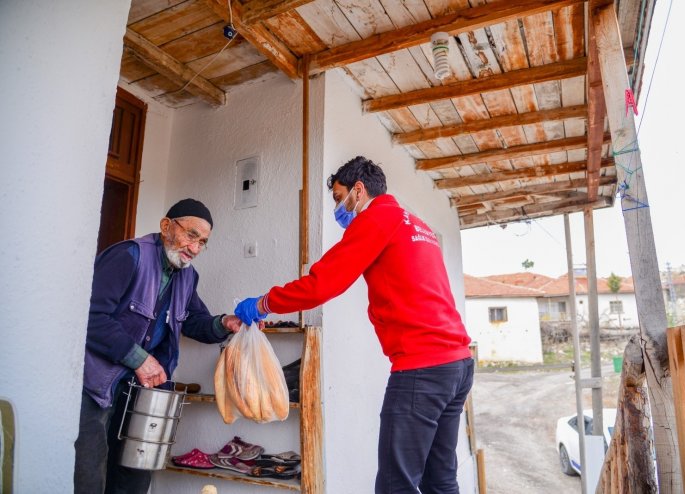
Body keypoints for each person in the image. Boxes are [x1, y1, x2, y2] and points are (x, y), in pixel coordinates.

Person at [235, 156, 474, 494]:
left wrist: (262, 304)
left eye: (338, 197)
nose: (338, 208)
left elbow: (322, 285)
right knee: (440, 478)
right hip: (457, 364)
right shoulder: (414, 223)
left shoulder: (378, 217)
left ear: (358, 191)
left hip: (424, 368)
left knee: (397, 485)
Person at [74, 198, 243, 494]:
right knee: (90, 477)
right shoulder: (129, 255)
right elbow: (90, 317)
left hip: (140, 394)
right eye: (191, 235)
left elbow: (194, 321)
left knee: (134, 478)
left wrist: (224, 323)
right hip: (98, 388)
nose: (195, 248)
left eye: (203, 242)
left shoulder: (187, 276)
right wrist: (140, 359)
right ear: (166, 226)